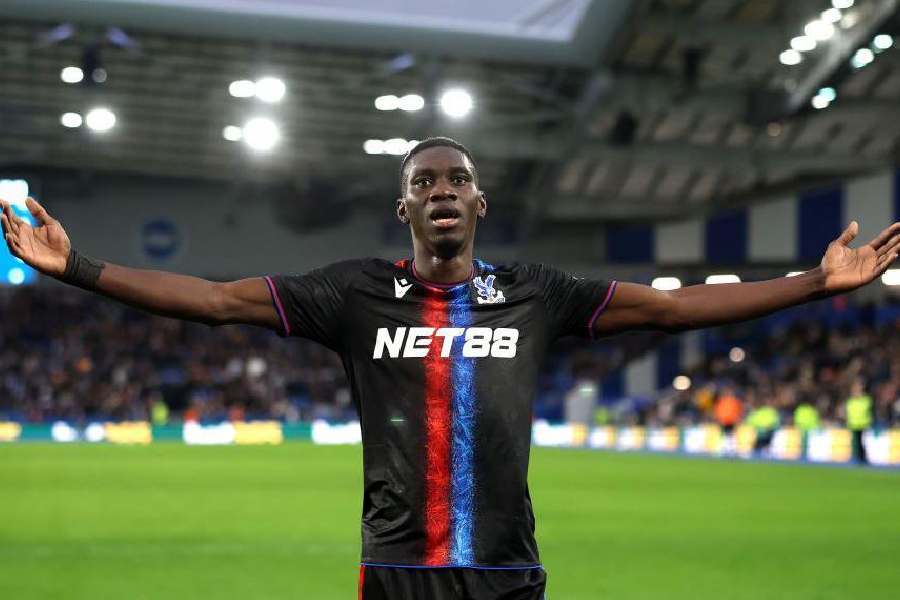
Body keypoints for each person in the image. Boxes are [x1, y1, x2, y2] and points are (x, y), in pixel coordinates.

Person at [2, 137, 899, 600]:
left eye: (456, 179)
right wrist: (77, 268)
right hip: (399, 568)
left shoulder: (537, 294)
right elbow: (214, 299)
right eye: (424, 181)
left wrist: (813, 284)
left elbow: (671, 307)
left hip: (507, 569)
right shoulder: (353, 294)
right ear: (404, 208)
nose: (441, 189)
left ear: (479, 202)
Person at [844, 379, 873, 464]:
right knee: (855, 442)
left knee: (862, 442)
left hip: (863, 424)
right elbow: (848, 413)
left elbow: (869, 412)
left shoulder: (866, 400)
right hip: (853, 424)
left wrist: (869, 421)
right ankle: (856, 457)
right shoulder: (850, 401)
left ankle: (863, 458)